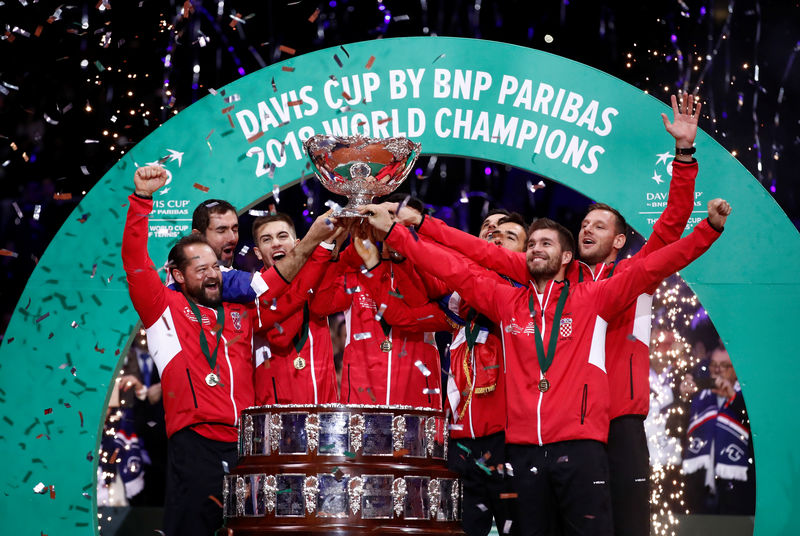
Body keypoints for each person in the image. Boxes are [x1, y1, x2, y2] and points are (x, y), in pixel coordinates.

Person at [390, 92, 702, 535]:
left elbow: (672, 225)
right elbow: (480, 255)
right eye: (585, 223)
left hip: (618, 422)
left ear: (618, 241)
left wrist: (685, 154)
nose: (588, 227)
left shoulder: (633, 275)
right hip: (561, 429)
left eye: (601, 225)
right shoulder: (554, 280)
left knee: (630, 527)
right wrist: (422, 226)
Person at [358, 197, 729, 536]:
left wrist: (708, 229)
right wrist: (396, 232)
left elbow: (658, 263)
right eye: (531, 244)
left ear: (567, 258)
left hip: (581, 448)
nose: (536, 249)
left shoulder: (595, 297)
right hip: (524, 451)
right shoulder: (507, 301)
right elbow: (454, 269)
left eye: (546, 243)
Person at [122, 165, 335, 536]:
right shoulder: (162, 309)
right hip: (196, 441)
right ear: (177, 274)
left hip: (242, 445)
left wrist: (319, 243)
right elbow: (134, 262)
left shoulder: (239, 309)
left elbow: (280, 287)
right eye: (199, 267)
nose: (211, 273)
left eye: (214, 266)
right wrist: (142, 200)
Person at [250, 212, 340, 405]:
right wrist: (321, 246)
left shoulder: (319, 277)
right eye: (267, 239)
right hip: (275, 417)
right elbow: (280, 337)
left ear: (297, 243)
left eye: (282, 236)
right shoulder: (253, 291)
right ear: (258, 252)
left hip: (323, 411)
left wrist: (335, 240)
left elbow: (323, 306)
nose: (276, 244)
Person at [682, 346, 755, 515]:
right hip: (700, 485)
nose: (717, 370)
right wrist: (683, 398)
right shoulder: (699, 396)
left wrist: (733, 397)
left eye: (724, 366)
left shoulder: (746, 397)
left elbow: (757, 427)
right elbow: (677, 427)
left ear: (736, 370)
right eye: (714, 365)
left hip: (736, 487)